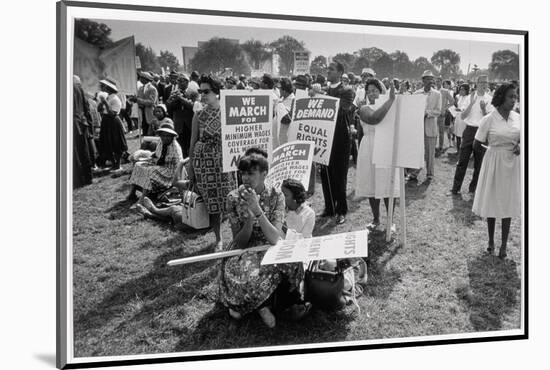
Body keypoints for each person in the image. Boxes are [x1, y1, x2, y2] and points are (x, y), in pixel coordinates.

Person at [218, 153, 306, 327]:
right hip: (246, 248)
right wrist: (249, 220)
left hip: (269, 243)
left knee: (291, 264)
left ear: (264, 173)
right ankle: (261, 306)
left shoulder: (276, 195)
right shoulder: (233, 198)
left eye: (251, 173)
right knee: (244, 272)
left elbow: (274, 238)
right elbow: (240, 242)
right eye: (242, 173)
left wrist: (257, 210)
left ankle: (282, 304)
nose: (245, 178)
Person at [472, 83, 520, 259]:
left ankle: (504, 245)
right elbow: (477, 145)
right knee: (492, 200)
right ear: (501, 98)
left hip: (512, 163)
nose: (514, 100)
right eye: (510, 97)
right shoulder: (489, 119)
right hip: (493, 162)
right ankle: (491, 241)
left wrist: (520, 147)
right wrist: (492, 154)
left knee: (507, 202)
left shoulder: (518, 118)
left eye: (515, 97)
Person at [189, 74, 237, 249]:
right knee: (213, 203)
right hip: (205, 163)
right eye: (200, 91)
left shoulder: (229, 111)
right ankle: (218, 238)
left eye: (206, 91)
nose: (202, 95)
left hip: (225, 161)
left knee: (231, 200)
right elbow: (192, 143)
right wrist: (191, 167)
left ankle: (236, 236)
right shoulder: (198, 115)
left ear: (217, 92)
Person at [356, 78, 399, 230]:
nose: (371, 94)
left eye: (375, 90)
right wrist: (391, 100)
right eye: (369, 91)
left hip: (385, 147)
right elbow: (374, 118)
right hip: (369, 147)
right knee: (371, 183)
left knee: (387, 184)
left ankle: (390, 221)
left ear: (381, 92)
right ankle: (376, 219)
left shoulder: (390, 107)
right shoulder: (363, 108)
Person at [320, 62, 355, 224]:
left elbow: (342, 108)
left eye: (331, 69)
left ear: (340, 72)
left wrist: (320, 95)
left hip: (340, 139)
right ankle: (329, 208)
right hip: (324, 138)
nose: (328, 71)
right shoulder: (324, 90)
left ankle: (341, 210)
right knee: (325, 174)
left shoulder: (347, 91)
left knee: (339, 175)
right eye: (327, 69)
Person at [449, 75, 494, 195]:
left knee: (479, 163)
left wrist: (484, 110)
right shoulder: (470, 97)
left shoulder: (490, 99)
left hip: (482, 132)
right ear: (477, 83)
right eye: (482, 82)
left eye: (486, 82)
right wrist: (472, 104)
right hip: (469, 131)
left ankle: (473, 190)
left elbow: (489, 120)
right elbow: (463, 116)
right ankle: (455, 188)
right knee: (462, 161)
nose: (484, 84)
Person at [128, 122, 183, 201]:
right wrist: (148, 157)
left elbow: (178, 166)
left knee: (149, 171)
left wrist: (176, 182)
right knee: (138, 165)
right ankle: (132, 193)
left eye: (168, 136)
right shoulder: (161, 142)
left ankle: (142, 198)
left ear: (172, 137)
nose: (165, 138)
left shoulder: (175, 148)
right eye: (163, 135)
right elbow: (157, 154)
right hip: (160, 166)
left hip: (170, 173)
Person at [407, 70, 441, 182]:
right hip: (418, 128)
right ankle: (414, 173)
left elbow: (438, 111)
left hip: (430, 128)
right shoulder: (416, 93)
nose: (430, 81)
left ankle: (430, 173)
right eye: (427, 78)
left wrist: (427, 113)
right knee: (417, 151)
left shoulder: (437, 94)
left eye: (431, 79)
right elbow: (412, 109)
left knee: (430, 152)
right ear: (423, 80)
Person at [97, 78, 128, 172]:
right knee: (108, 143)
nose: (101, 88)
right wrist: (101, 103)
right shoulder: (108, 97)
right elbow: (100, 110)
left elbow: (112, 113)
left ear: (107, 87)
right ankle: (113, 163)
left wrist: (105, 103)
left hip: (113, 122)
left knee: (116, 143)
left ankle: (118, 165)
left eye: (102, 86)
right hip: (106, 121)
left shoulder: (115, 99)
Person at [166, 73, 194, 157]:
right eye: (178, 81)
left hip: (190, 123)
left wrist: (181, 98)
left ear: (187, 82)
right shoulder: (174, 93)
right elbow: (169, 107)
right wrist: (172, 100)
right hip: (178, 124)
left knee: (190, 144)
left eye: (182, 81)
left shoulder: (193, 93)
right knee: (180, 144)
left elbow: (193, 106)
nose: (179, 83)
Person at [73, 75, 94, 188]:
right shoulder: (80, 89)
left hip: (74, 124)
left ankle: (79, 179)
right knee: (83, 151)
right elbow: (87, 108)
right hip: (82, 123)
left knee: (75, 153)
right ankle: (87, 178)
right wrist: (89, 126)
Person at [135, 71, 158, 137]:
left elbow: (151, 102)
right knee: (145, 131)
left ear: (146, 79)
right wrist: (135, 99)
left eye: (142, 78)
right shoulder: (140, 88)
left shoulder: (152, 89)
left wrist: (138, 100)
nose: (140, 79)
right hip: (142, 113)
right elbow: (139, 99)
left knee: (151, 132)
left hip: (150, 113)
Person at [437, 79, 456, 154]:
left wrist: (445, 108)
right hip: (433, 114)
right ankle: (434, 145)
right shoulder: (433, 90)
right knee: (433, 131)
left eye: (439, 81)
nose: (437, 83)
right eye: (436, 81)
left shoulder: (445, 91)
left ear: (441, 83)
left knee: (441, 131)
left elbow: (452, 101)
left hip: (441, 114)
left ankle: (440, 146)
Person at [276, 77, 295, 146]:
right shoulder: (281, 100)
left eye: (280, 88)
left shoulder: (293, 100)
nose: (278, 90)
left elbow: (286, 120)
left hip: (287, 140)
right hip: (279, 139)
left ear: (284, 90)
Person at [453, 83, 471, 154]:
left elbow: (466, 108)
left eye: (462, 90)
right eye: (460, 89)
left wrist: (460, 109)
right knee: (457, 134)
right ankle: (458, 150)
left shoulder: (468, 98)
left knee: (463, 136)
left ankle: (464, 151)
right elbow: (458, 106)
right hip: (458, 118)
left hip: (464, 120)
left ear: (467, 90)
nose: (461, 91)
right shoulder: (460, 97)